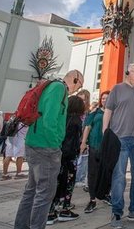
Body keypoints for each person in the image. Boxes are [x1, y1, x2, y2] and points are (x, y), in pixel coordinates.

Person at [14, 69, 83, 229]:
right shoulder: (59, 88)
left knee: (31, 190)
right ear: (75, 79)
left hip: (35, 142)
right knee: (45, 193)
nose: (78, 90)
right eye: (79, 85)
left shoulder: (51, 86)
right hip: (45, 147)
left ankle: (22, 225)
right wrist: (55, 144)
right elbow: (49, 119)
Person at [102, 63, 134, 228]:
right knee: (119, 176)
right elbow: (108, 110)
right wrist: (105, 131)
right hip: (120, 138)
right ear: (127, 73)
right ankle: (117, 212)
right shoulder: (117, 89)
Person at [46, 96, 86, 224]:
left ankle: (51, 211)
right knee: (69, 182)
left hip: (59, 154)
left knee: (57, 182)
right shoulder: (76, 120)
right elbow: (77, 139)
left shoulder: (62, 117)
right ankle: (65, 209)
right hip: (70, 156)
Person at [81, 91, 108, 214]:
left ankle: (105, 194)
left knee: (107, 173)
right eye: (103, 98)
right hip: (94, 145)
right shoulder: (95, 112)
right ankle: (92, 200)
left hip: (107, 148)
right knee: (92, 173)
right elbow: (87, 127)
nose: (105, 100)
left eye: (107, 98)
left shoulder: (114, 112)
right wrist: (83, 142)